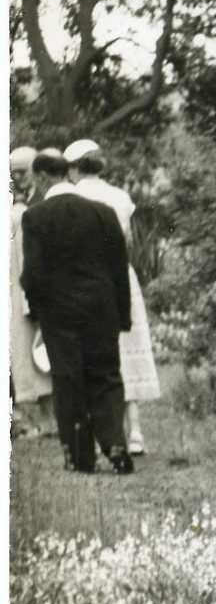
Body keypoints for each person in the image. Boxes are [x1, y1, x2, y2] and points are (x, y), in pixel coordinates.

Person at [20, 148, 133, 474]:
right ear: (66, 173)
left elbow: (33, 275)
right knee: (106, 375)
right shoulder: (103, 213)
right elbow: (119, 269)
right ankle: (115, 446)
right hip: (102, 309)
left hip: (59, 313)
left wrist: (38, 310)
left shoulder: (36, 217)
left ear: (42, 177)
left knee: (68, 379)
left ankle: (80, 456)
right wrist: (122, 315)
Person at [64, 139, 161, 455]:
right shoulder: (120, 196)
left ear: (75, 168)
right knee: (127, 349)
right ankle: (136, 431)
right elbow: (128, 242)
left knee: (93, 353)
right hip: (120, 277)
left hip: (86, 279)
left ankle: (100, 431)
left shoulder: (72, 198)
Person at [9, 145, 54, 435]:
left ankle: (50, 420)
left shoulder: (44, 201)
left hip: (33, 286)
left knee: (40, 355)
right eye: (12, 172)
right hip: (13, 285)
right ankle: (19, 418)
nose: (17, 178)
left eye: (22, 171)